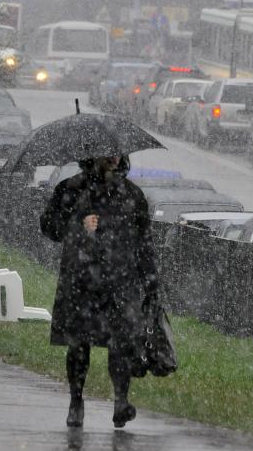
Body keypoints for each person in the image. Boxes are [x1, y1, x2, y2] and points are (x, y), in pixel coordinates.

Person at [40, 155, 158, 428]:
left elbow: (144, 242)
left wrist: (151, 281)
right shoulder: (71, 189)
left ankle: (121, 401)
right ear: (92, 155)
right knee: (79, 344)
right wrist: (77, 224)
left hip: (120, 282)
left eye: (118, 151)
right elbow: (48, 226)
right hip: (80, 281)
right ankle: (76, 401)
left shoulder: (131, 194)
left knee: (122, 343)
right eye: (107, 152)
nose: (114, 157)